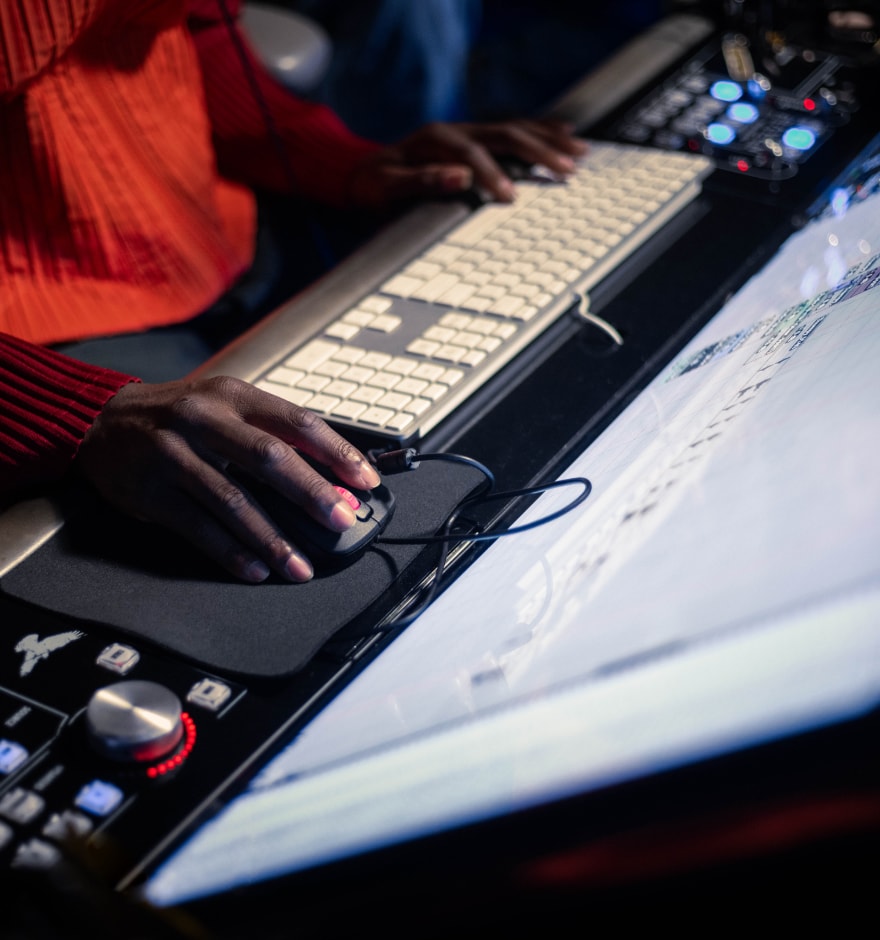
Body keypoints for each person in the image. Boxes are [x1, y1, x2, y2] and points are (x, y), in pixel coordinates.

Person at [0, 0, 586, 585]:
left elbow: (197, 28)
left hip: (221, 235)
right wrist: (71, 412)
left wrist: (348, 162)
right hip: (42, 346)